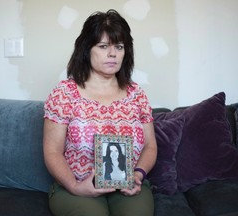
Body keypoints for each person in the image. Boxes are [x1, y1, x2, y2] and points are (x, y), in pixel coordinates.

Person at [43, 9, 157, 216]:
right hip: (76, 185)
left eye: (119, 47)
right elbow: (52, 152)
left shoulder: (137, 94)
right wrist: (74, 186)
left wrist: (138, 176)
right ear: (87, 49)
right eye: (103, 46)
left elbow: (150, 146)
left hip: (127, 187)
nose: (112, 53)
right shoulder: (64, 93)